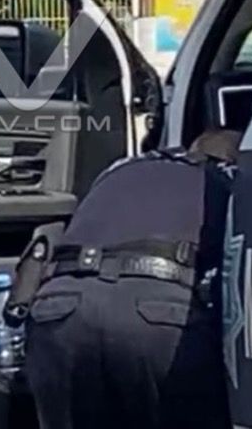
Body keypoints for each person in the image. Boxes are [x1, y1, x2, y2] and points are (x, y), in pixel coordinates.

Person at [13, 132, 240, 429]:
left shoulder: (120, 169)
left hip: (60, 308)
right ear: (230, 160)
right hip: (156, 314)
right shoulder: (224, 183)